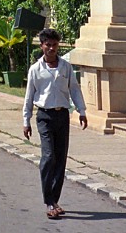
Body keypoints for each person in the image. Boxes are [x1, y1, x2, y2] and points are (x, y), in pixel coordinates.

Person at [22, 27, 88, 220]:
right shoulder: (35, 70)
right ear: (42, 46)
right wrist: (26, 121)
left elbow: (74, 89)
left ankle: (55, 200)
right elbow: (28, 97)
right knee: (48, 156)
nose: (51, 48)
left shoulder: (65, 67)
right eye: (48, 45)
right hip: (44, 117)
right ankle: (48, 200)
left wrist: (81, 111)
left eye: (55, 45)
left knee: (60, 159)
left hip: (62, 117)